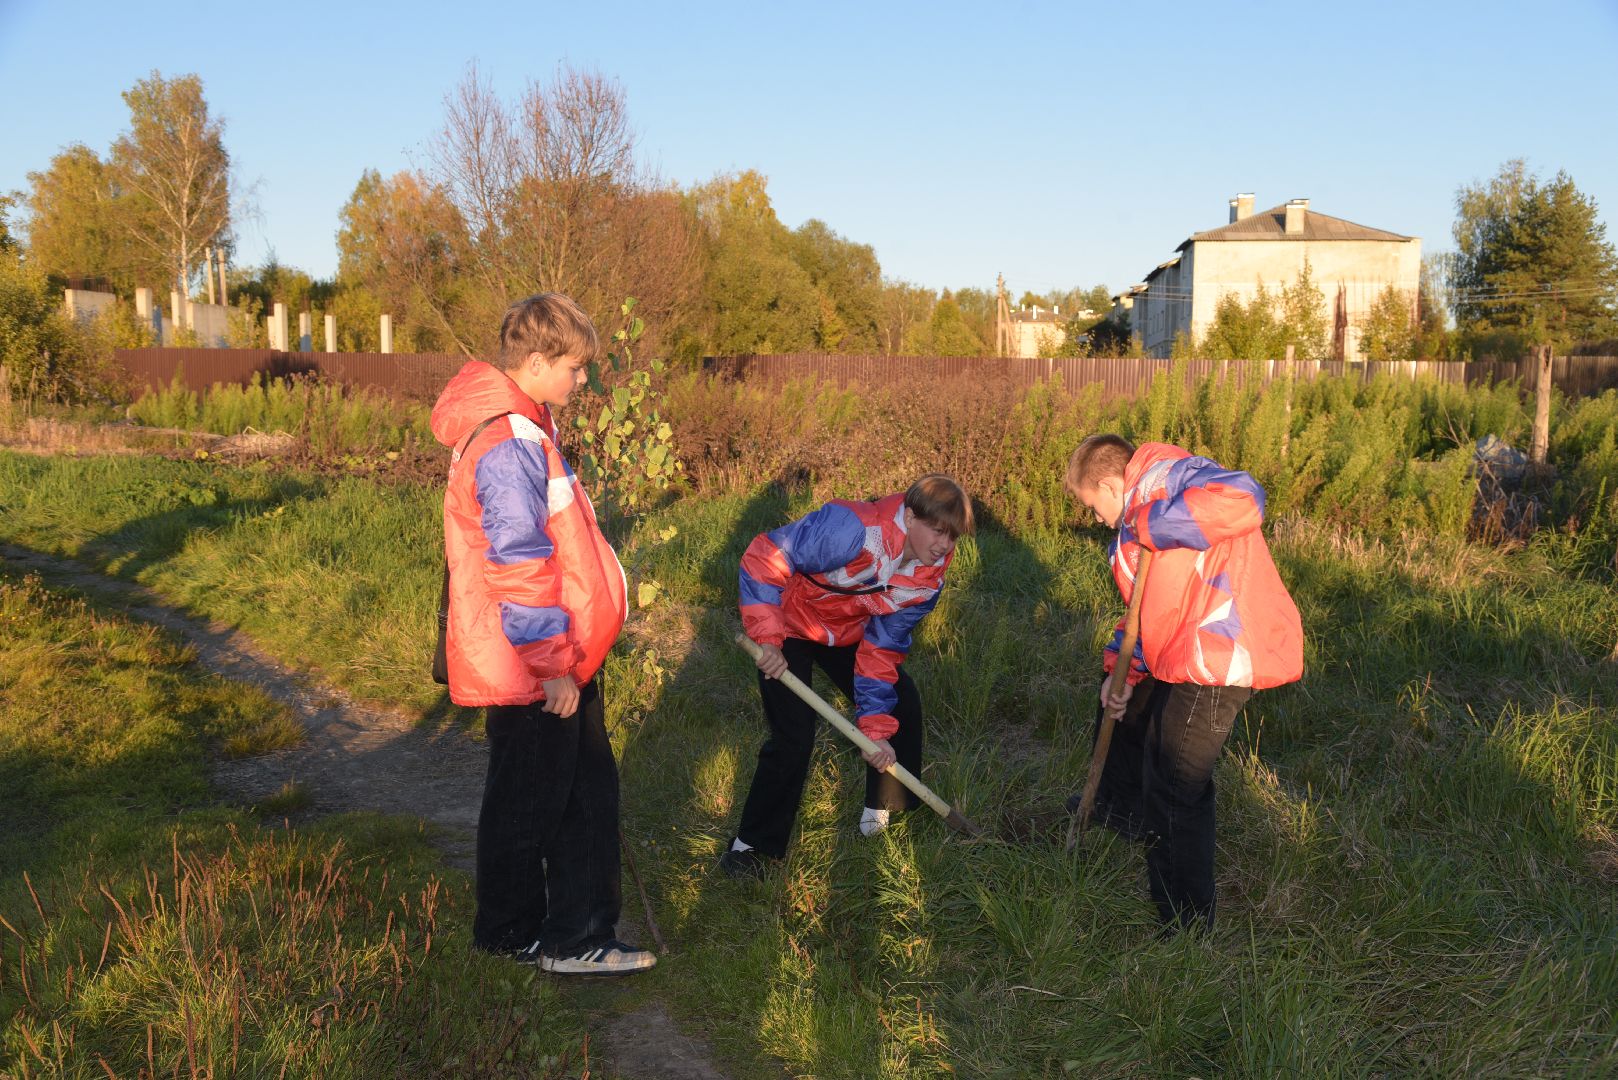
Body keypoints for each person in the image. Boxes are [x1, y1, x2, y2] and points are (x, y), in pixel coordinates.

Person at [430, 292, 654, 975]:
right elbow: (521, 564)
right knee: (575, 796)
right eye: (575, 367)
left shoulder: (521, 426)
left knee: (526, 794)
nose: (583, 380)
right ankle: (575, 938)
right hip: (538, 659)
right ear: (535, 361)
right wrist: (555, 665)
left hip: (536, 652)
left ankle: (508, 933)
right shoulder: (509, 443)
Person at [1064, 435, 1303, 933]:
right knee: (1126, 714)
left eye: (1094, 506)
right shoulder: (1130, 530)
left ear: (1111, 484)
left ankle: (1187, 922)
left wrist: (1153, 522)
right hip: (1180, 652)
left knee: (1176, 781)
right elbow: (1145, 617)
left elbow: (1243, 499)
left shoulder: (1163, 478)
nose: (1097, 518)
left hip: (1220, 653)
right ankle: (1119, 812)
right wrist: (1121, 675)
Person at [721, 475, 973, 878]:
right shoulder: (852, 530)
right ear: (909, 517)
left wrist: (874, 729)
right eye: (937, 531)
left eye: (953, 536)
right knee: (794, 734)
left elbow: (882, 648)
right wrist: (768, 639)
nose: (944, 545)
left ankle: (886, 810)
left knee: (902, 702)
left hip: (841, 630)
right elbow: (765, 556)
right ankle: (751, 847)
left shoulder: (928, 578)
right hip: (787, 622)